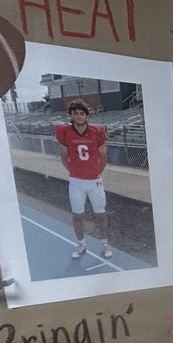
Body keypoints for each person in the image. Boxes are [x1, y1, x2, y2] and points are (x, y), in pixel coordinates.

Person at [55, 99, 111, 259]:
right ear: (71, 116)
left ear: (86, 116)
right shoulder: (65, 132)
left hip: (95, 182)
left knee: (101, 215)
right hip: (76, 183)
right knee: (77, 216)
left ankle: (105, 243)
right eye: (75, 113)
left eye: (82, 113)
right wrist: (74, 172)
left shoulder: (96, 132)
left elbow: (104, 157)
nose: (79, 116)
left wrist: (94, 173)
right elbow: (64, 156)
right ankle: (81, 244)